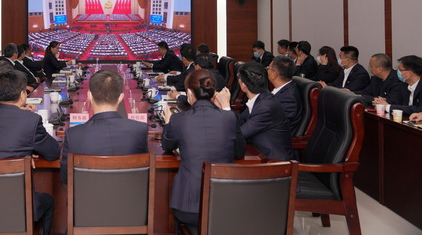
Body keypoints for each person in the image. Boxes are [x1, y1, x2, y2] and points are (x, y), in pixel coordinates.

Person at [0, 70, 59, 235]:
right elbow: (53, 153)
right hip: (18, 206)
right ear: (22, 95)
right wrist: (29, 150)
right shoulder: (30, 120)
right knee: (48, 201)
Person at [161, 69, 245, 232]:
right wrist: (226, 108)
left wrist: (168, 124)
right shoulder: (229, 117)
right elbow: (239, 152)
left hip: (188, 208)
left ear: (189, 93)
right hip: (223, 205)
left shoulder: (178, 120)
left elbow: (167, 145)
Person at [60, 69, 148, 184]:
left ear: (89, 95)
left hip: (89, 195)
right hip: (131, 195)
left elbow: (66, 178)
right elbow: (143, 175)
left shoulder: (73, 135)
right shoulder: (140, 130)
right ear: (121, 97)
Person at [214, 61, 294, 161]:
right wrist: (222, 107)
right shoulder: (260, 97)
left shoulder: (266, 107)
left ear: (243, 85)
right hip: (257, 152)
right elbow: (242, 120)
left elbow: (239, 136)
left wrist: (226, 108)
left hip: (273, 161)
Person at [267, 56, 303, 136]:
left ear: (274, 74)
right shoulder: (283, 89)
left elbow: (277, 127)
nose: (267, 71)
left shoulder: (289, 98)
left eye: (268, 68)